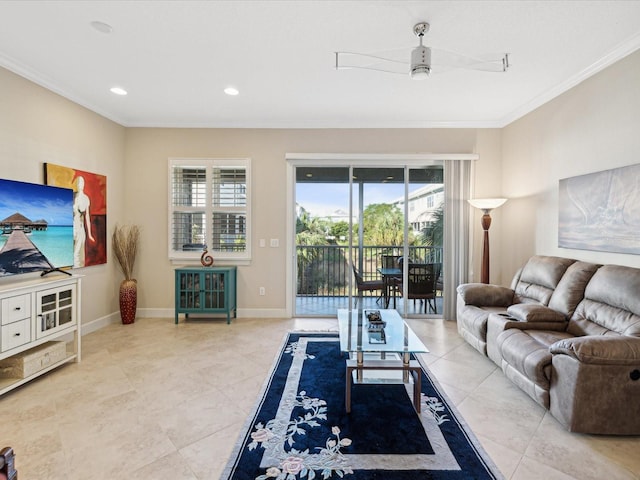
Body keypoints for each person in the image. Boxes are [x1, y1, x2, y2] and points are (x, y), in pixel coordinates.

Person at [73, 175, 95, 267]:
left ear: (84, 184)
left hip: (81, 229)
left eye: (81, 182)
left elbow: (87, 218)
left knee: (79, 255)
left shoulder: (86, 199)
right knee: (73, 255)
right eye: (78, 182)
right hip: (73, 228)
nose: (79, 184)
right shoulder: (72, 196)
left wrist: (89, 234)